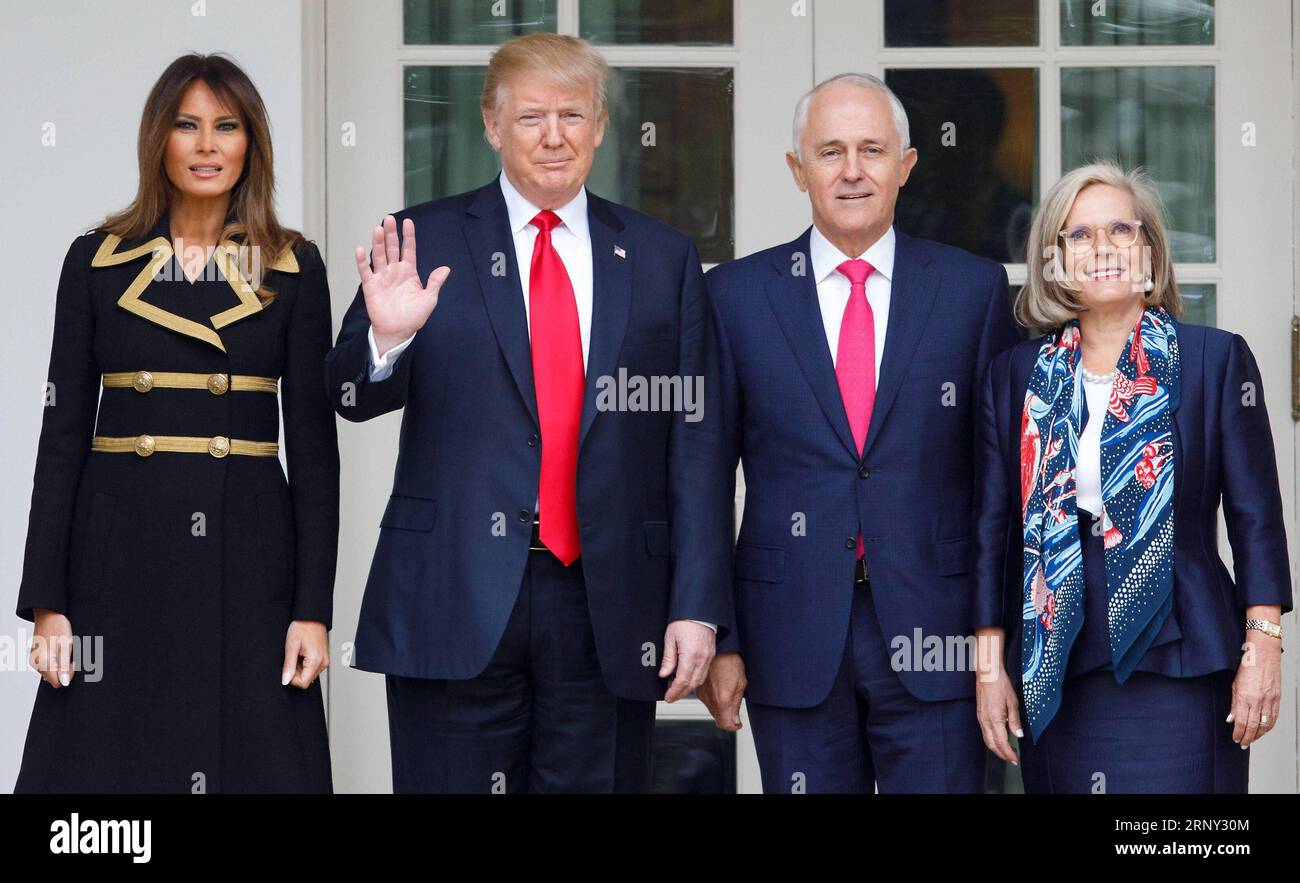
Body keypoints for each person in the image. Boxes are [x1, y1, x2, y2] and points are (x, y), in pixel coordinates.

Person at [325, 34, 732, 793]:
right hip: (453, 595)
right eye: (532, 117)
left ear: (601, 126)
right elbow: (348, 397)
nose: (554, 136)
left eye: (572, 116)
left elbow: (697, 445)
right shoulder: (425, 239)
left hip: (607, 605)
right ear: (491, 125)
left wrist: (699, 607)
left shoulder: (658, 255)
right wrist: (386, 336)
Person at [15, 54, 338, 792]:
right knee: (105, 775)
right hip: (117, 561)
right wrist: (49, 601)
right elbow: (60, 438)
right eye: (187, 126)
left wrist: (311, 609)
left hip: (251, 562)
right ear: (159, 138)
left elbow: (316, 456)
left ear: (250, 143)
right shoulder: (95, 261)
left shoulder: (293, 267)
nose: (206, 145)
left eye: (226, 127)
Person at [697, 73, 1019, 793]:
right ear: (797, 168)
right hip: (789, 631)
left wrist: (996, 639)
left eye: (872, 150)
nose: (851, 170)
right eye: (830, 150)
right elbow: (703, 476)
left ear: (905, 165)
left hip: (940, 629)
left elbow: (999, 481)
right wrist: (721, 635)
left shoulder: (972, 290)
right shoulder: (735, 297)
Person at [972, 161, 1291, 793]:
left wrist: (1265, 646)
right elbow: (991, 529)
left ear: (1148, 247)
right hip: (1054, 661)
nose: (1104, 249)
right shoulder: (1015, 375)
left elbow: (1256, 518)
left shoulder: (1213, 359)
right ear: (1054, 259)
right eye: (1080, 235)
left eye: (1122, 229)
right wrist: (987, 666)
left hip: (1182, 660)